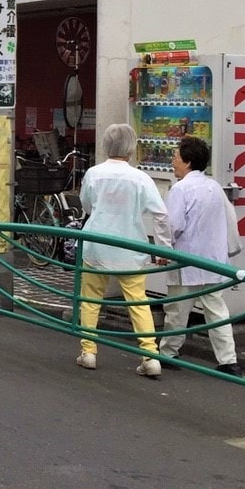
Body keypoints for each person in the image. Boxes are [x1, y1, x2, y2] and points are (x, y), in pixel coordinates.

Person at [75, 122, 171, 376]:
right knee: (138, 302)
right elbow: (161, 215)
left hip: (96, 245)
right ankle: (150, 356)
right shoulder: (141, 178)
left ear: (106, 145)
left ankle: (88, 352)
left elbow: (86, 206)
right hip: (131, 248)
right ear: (131, 149)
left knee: (91, 300)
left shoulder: (94, 174)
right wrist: (163, 248)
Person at [158, 136, 242, 376]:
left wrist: (162, 249)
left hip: (186, 259)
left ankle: (168, 352)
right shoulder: (214, 186)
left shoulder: (180, 189)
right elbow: (230, 220)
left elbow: (172, 226)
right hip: (213, 260)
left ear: (187, 161)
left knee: (177, 309)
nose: (173, 161)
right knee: (216, 310)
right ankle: (229, 360)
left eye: (175, 157)